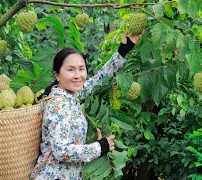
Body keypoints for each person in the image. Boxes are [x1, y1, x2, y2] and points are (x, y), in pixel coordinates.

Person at [30, 30, 143, 179]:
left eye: (81, 69)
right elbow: (61, 151)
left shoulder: (72, 94)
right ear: (56, 75)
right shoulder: (57, 105)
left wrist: (123, 50)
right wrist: (99, 147)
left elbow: (99, 79)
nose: (78, 75)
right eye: (70, 70)